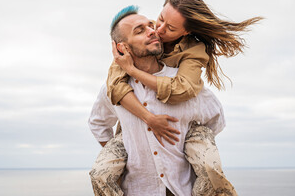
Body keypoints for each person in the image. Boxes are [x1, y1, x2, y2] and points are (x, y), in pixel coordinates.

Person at [89, 10, 234, 195]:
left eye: (150, 26)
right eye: (139, 30)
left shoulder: (185, 84)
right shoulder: (113, 88)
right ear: (122, 48)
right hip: (136, 190)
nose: (152, 31)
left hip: (182, 190)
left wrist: (190, 140)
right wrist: (125, 150)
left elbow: (216, 119)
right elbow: (98, 123)